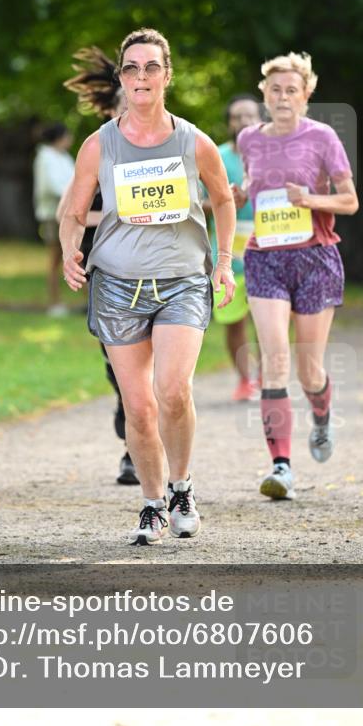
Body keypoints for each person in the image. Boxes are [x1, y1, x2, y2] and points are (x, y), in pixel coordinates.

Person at [60, 28, 236, 545]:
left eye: (151, 67)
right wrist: (71, 247)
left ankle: (183, 488)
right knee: (137, 406)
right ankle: (153, 503)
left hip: (182, 280)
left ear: (167, 75)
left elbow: (224, 200)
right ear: (121, 77)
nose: (141, 76)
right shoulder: (100, 144)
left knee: (172, 391)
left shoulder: (193, 141)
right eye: (132, 67)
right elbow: (73, 211)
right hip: (116, 285)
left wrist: (223, 262)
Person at [237, 52, 358, 501]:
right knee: (274, 359)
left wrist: (310, 199)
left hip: (315, 259)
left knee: (309, 370)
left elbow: (350, 201)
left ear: (306, 95)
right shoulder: (249, 138)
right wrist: (240, 192)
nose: (283, 97)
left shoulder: (323, 137)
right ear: (264, 94)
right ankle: (281, 467)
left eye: (292, 90)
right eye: (275, 90)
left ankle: (321, 414)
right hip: (265, 258)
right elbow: (253, 184)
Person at [59, 45, 138, 485]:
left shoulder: (164, 144)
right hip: (107, 269)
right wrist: (112, 216)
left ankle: (140, 448)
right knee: (119, 361)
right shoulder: (97, 149)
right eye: (124, 103)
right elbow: (65, 214)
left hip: (159, 268)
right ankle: (130, 439)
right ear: (110, 107)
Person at [202, 94, 262, 401]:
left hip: (267, 251)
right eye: (237, 116)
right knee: (234, 321)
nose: (243, 121)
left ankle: (268, 378)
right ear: (229, 122)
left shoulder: (272, 154)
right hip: (228, 254)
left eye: (249, 115)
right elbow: (196, 204)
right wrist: (223, 202)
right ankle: (244, 380)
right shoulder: (217, 156)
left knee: (267, 320)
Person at [33, 123, 75, 316]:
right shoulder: (45, 158)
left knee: (76, 257)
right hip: (52, 214)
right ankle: (55, 302)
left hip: (69, 213)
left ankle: (86, 300)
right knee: (55, 259)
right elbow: (52, 186)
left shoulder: (64, 157)